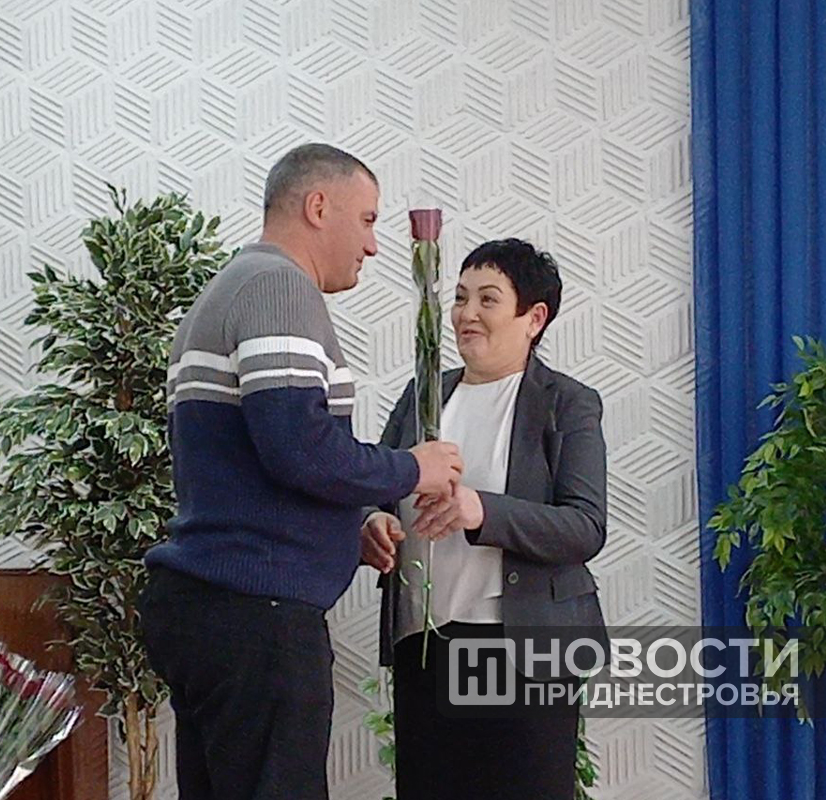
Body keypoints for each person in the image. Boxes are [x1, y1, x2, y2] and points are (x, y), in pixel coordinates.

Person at [139, 143, 465, 800]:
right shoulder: (277, 288)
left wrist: (350, 521)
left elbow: (255, 458)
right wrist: (412, 468)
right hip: (255, 617)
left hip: (217, 608)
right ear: (318, 206)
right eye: (366, 219)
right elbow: (298, 448)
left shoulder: (236, 285)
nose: (373, 245)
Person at [360, 238, 609, 800]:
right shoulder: (424, 394)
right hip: (425, 645)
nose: (466, 313)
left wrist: (482, 510)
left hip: (521, 651)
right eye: (460, 297)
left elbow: (585, 526)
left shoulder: (565, 403)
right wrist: (371, 523)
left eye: (488, 299)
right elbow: (376, 484)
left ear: (534, 318)